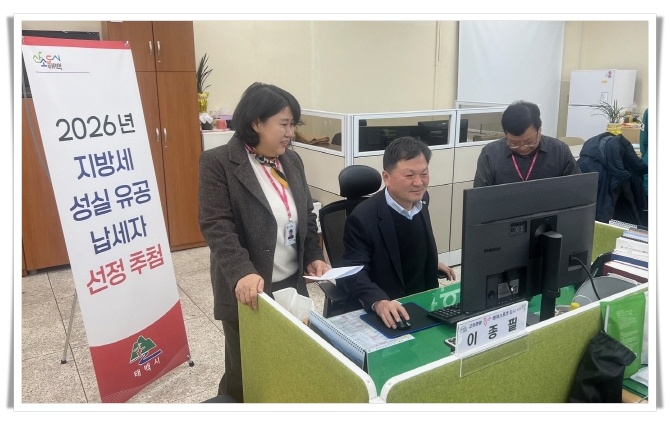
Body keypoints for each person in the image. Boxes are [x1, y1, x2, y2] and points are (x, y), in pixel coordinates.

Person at [198, 82, 329, 402]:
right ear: (256, 122)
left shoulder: (291, 161)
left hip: (291, 284)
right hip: (250, 288)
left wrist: (313, 254)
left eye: (293, 124)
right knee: (247, 374)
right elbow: (217, 225)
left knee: (292, 363)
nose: (290, 133)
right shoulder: (218, 163)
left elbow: (306, 214)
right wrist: (241, 272)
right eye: (284, 124)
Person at [340, 137, 456, 329]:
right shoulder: (362, 218)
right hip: (389, 306)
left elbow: (409, 243)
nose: (419, 183)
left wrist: (429, 262)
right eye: (409, 175)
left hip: (423, 300)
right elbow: (354, 271)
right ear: (386, 177)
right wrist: (379, 302)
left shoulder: (422, 200)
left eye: (424, 173)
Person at [473, 100, 581, 187]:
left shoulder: (559, 151)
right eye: (514, 143)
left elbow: (577, 190)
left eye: (529, 142)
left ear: (539, 129)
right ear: (505, 134)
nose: (522, 148)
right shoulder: (490, 154)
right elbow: (479, 198)